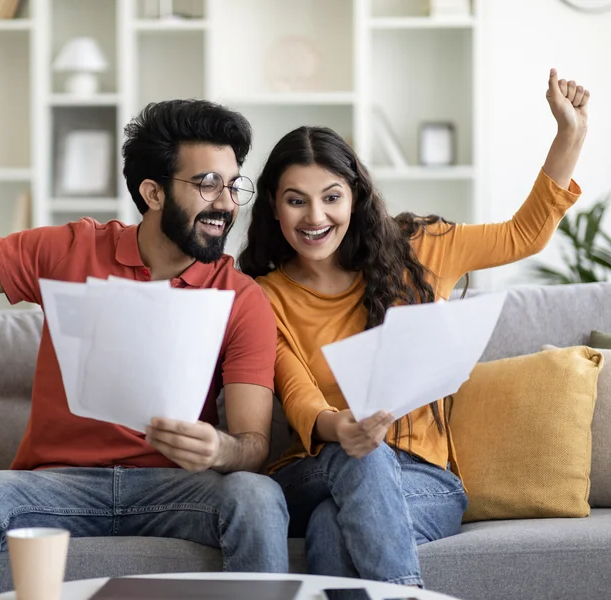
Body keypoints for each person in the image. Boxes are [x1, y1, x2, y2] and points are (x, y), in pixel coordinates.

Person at [0, 81, 289, 599]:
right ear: (153, 192)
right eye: (209, 183)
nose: (227, 203)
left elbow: (253, 447)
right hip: (58, 484)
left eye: (234, 186)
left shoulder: (241, 297)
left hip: (176, 489)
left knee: (257, 497)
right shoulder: (69, 252)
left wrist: (220, 449)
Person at [237, 68, 589, 588]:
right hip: (317, 466)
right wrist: (346, 430)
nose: (315, 215)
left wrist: (569, 135)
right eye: (296, 200)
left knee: (334, 527)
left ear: (354, 198)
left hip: (427, 479)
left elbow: (523, 234)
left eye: (331, 197)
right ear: (274, 205)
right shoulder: (267, 295)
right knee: (357, 457)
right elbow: (298, 393)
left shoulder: (420, 247)